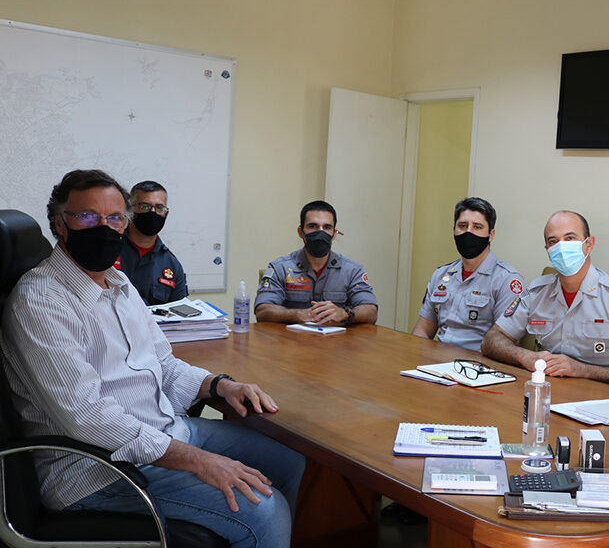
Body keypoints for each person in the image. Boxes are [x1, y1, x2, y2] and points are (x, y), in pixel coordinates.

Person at [0, 169, 306, 548]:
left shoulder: (118, 283)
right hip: (100, 470)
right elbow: (88, 418)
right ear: (60, 224)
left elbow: (163, 364)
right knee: (264, 509)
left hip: (163, 432)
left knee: (290, 460)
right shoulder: (42, 300)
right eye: (87, 216)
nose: (104, 227)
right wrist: (199, 460)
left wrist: (220, 385)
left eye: (115, 218)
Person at [481, 210, 609, 387]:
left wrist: (583, 370)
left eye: (570, 238)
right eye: (553, 241)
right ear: (547, 250)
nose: (561, 247)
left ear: (589, 244)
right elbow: (492, 340)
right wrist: (524, 356)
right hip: (549, 392)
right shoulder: (536, 292)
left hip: (602, 399)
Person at [412, 197, 523, 351]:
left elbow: (506, 344)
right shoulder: (441, 275)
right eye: (462, 226)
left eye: (477, 227)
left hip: (476, 368)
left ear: (491, 235)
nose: (468, 232)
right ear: (454, 230)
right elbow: (423, 330)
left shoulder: (506, 280)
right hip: (435, 363)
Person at [255, 200, 377, 326]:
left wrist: (346, 314)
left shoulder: (352, 270)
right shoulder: (280, 267)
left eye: (327, 227)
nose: (320, 232)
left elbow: (371, 312)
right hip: (291, 341)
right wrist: (297, 314)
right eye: (312, 226)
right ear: (300, 232)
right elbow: (262, 311)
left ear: (334, 234)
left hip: (337, 342)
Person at [116, 180, 187, 305]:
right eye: (145, 207)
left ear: (166, 213)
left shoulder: (172, 265)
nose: (152, 212)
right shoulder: (110, 248)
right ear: (131, 211)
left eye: (159, 208)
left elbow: (179, 314)